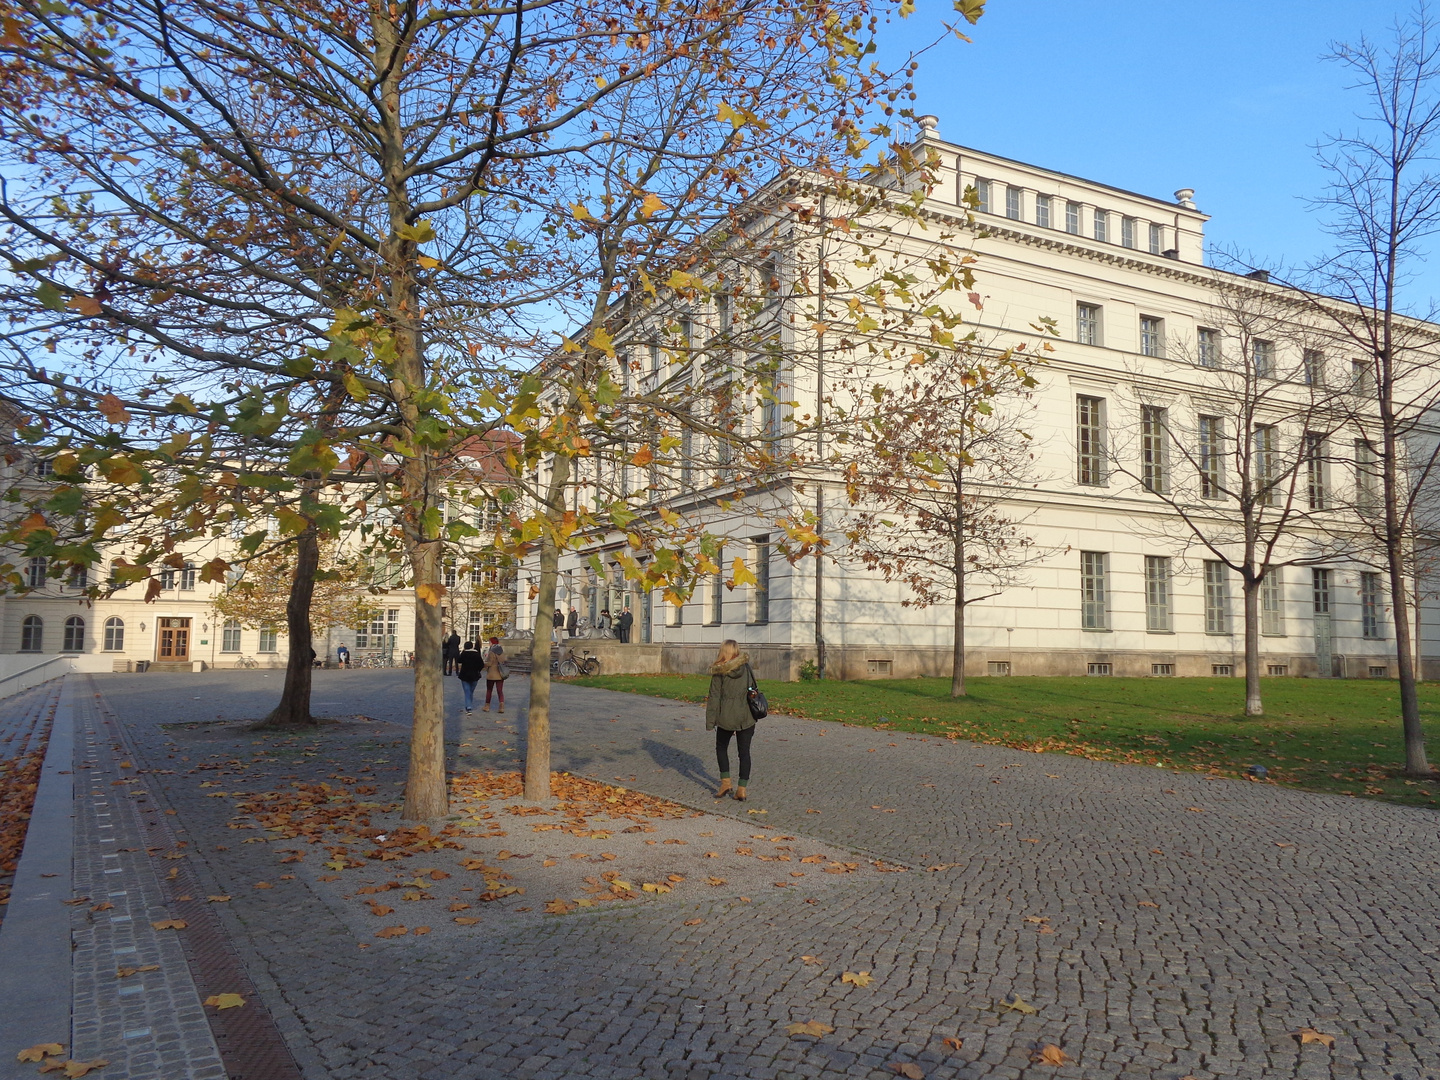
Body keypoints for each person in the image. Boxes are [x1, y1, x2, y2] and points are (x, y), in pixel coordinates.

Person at [705, 639, 758, 801]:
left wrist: (710, 721)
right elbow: (754, 689)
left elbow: (714, 697)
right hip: (746, 716)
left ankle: (725, 783)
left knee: (721, 748)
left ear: (723, 652)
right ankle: (742, 789)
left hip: (726, 716)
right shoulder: (746, 668)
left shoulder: (720, 672)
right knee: (744, 753)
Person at [456, 639, 484, 712]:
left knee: (467, 691)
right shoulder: (477, 654)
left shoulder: (464, 654)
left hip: (465, 675)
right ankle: (469, 704)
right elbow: (481, 664)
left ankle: (469, 706)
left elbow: (459, 660)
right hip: (475, 675)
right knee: (471, 691)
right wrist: (478, 670)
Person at [482, 637, 507, 714]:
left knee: (489, 690)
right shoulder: (501, 651)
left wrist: (483, 664)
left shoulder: (491, 652)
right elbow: (505, 660)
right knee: (500, 691)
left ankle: (487, 706)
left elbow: (489, 663)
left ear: (492, 643)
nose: (489, 643)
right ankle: (501, 706)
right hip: (500, 674)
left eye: (489, 642)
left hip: (492, 674)